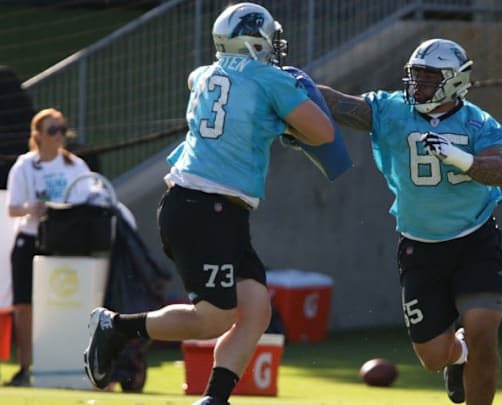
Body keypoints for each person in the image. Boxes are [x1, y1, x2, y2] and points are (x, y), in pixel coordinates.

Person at [82, 3, 334, 405]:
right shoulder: (269, 79)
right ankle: (116, 326)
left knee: (255, 313)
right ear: (255, 40)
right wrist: (295, 98)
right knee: (213, 320)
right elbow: (321, 133)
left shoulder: (206, 74)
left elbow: (195, 77)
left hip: (213, 209)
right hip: (206, 207)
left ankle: (215, 399)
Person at [318, 38, 502, 405]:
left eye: (428, 77)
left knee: (483, 334)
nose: (417, 85)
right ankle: (457, 356)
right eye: (415, 76)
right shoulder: (392, 109)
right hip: (420, 246)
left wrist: (462, 159)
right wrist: (290, 82)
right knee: (433, 357)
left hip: (475, 239)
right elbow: (340, 104)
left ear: (455, 80)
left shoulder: (479, 123)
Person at [4, 108, 91, 386]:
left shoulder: (75, 165)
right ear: (38, 135)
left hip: (64, 242)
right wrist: (33, 208)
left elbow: (89, 198)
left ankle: (64, 365)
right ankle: (26, 367)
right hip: (30, 238)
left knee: (62, 304)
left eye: (62, 130)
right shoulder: (25, 165)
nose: (58, 136)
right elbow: (13, 208)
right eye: (52, 130)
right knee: (24, 306)